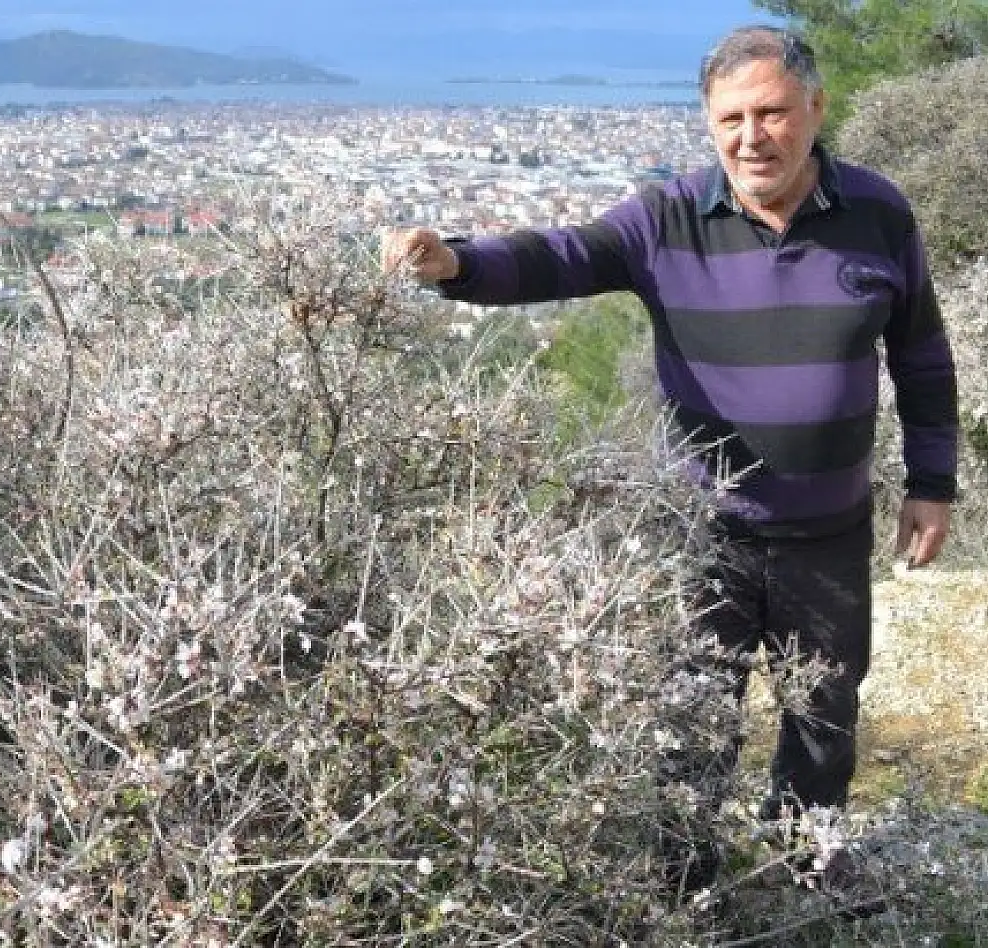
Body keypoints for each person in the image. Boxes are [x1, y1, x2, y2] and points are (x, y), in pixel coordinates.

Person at [382, 26, 959, 892]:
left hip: (829, 533)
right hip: (699, 534)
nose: (751, 137)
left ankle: (805, 871)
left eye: (772, 113)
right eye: (731, 118)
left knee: (825, 715)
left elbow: (921, 355)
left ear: (816, 109)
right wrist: (458, 261)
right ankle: (679, 890)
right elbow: (561, 254)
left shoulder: (880, 212)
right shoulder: (666, 218)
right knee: (690, 723)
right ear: (707, 122)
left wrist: (932, 481)